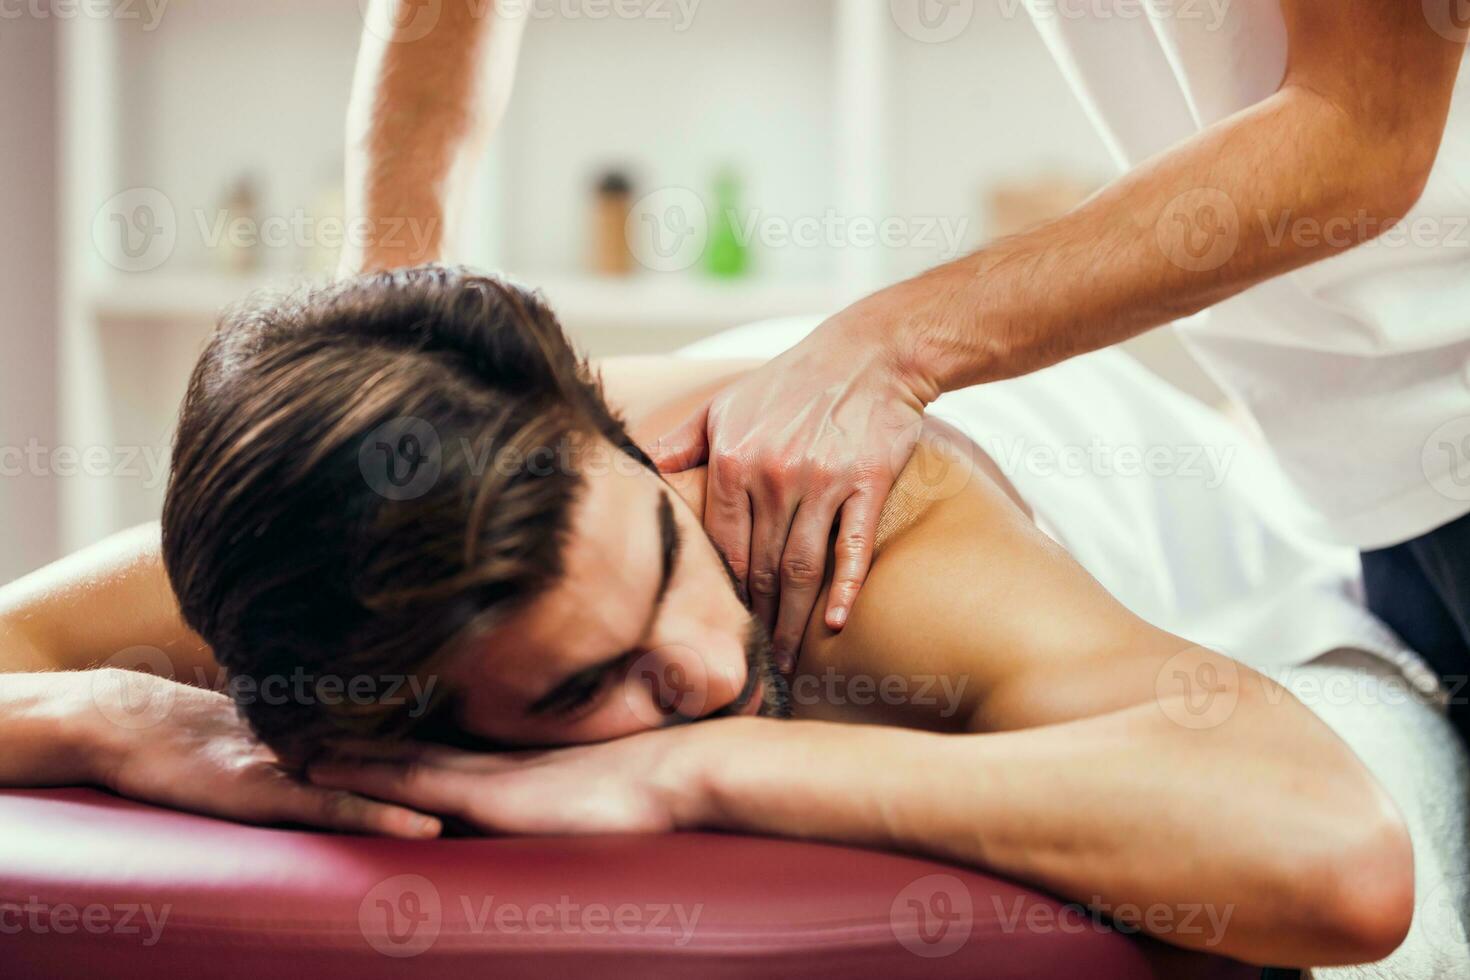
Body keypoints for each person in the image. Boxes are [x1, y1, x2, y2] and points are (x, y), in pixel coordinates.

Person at [0, 267, 1418, 968]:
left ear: (625, 438)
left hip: (1277, 577)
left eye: (665, 561)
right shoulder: (333, 563)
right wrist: (114, 717)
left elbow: (1341, 866)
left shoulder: (848, 552)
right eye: (583, 685)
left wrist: (701, 763)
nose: (701, 659)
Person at [341, 1, 1470, 733]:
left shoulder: (919, 577)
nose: (702, 669)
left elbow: (1361, 128)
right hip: (1364, 446)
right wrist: (382, 341)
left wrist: (888, 343)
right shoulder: (407, 520)